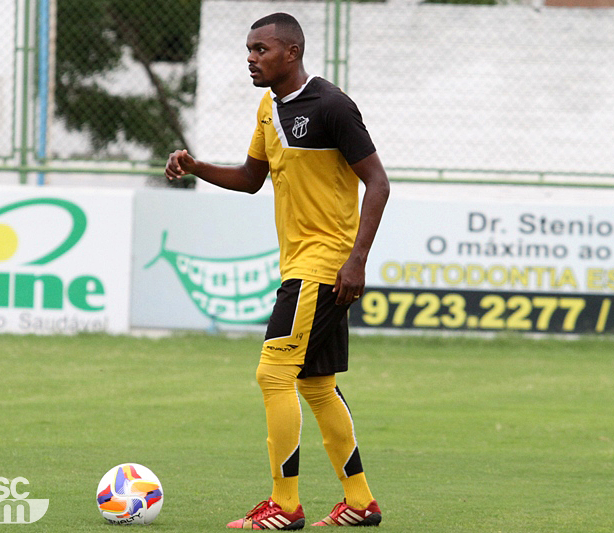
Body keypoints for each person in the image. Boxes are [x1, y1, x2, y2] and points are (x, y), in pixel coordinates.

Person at [165, 12, 390, 530]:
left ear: (291, 52)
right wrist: (198, 167)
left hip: (323, 266)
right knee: (315, 384)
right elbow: (250, 178)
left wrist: (356, 260)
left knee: (273, 374)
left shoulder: (332, 106)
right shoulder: (269, 108)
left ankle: (284, 507)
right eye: (248, 50)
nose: (251, 58)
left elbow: (377, 182)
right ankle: (359, 501)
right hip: (305, 265)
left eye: (261, 50)